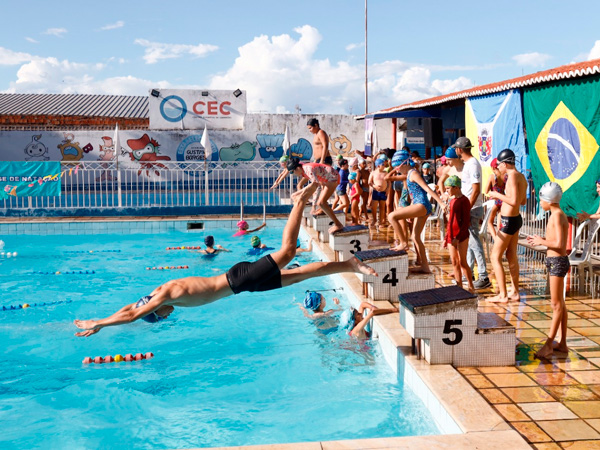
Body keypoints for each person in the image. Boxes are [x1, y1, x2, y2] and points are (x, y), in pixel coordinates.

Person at [74, 193, 378, 337]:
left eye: (160, 316)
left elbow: (132, 316)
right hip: (241, 286)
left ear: (158, 311)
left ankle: (299, 202)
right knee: (297, 276)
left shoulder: (165, 297)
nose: (166, 316)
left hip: (238, 280)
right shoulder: (159, 291)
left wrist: (99, 323)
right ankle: (349, 264)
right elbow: (130, 308)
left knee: (287, 253)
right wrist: (104, 318)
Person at [527, 182, 569, 358]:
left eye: (541, 199)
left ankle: (549, 344)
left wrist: (541, 242)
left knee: (556, 304)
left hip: (558, 261)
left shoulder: (557, 215)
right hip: (555, 260)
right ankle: (563, 344)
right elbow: (555, 238)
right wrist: (542, 238)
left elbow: (560, 244)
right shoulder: (555, 214)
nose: (539, 202)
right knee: (560, 304)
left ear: (549, 200)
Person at [387, 149, 446, 273]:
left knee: (392, 216)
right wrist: (411, 210)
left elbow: (427, 190)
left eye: (397, 166)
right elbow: (415, 193)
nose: (396, 169)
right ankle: (425, 267)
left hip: (422, 205)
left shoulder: (413, 174)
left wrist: (440, 203)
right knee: (415, 237)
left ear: (404, 163)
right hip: (420, 205)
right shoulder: (409, 174)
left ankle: (403, 243)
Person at [487, 148, 528, 303]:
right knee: (511, 255)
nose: (498, 168)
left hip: (508, 221)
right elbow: (523, 201)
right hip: (515, 219)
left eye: (499, 165)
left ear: (504, 164)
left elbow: (514, 201)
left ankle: (503, 295)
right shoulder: (521, 177)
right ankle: (515, 292)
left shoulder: (511, 177)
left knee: (494, 256)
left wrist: (496, 194)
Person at [452, 137, 490, 289]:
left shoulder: (473, 164)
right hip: (469, 207)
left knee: (474, 242)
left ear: (459, 150)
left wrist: (466, 209)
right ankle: (469, 273)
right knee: (467, 243)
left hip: (472, 208)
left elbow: (475, 190)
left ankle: (483, 276)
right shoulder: (468, 164)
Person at [286, 157, 344, 234]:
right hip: (327, 178)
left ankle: (338, 224)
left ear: (297, 168)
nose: (293, 174)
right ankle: (322, 209)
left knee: (321, 203)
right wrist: (297, 194)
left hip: (333, 177)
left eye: (292, 172)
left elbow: (315, 186)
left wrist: (313, 205)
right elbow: (316, 185)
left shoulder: (308, 170)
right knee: (321, 202)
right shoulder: (303, 170)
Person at [444, 176, 474, 293]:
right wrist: (447, 238)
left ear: (456, 188)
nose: (446, 191)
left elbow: (466, 222)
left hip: (461, 235)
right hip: (452, 236)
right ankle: (459, 286)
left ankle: (471, 286)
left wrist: (458, 237)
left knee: (462, 262)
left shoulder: (464, 201)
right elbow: (450, 221)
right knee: (454, 262)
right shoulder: (452, 201)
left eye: (448, 189)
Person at [483, 158, 506, 242]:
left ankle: (496, 240)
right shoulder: (505, 176)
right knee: (500, 225)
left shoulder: (492, 177)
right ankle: (501, 241)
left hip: (494, 201)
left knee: (490, 222)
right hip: (502, 201)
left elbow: (486, 191)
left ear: (493, 168)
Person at [368, 158, 388, 227]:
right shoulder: (373, 173)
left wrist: (388, 190)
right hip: (376, 192)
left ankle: (381, 222)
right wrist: (374, 186)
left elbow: (389, 182)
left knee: (382, 207)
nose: (384, 166)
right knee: (374, 207)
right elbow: (369, 182)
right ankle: (374, 220)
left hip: (383, 192)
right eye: (383, 165)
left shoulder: (385, 173)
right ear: (378, 166)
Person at [358, 158, 371, 223]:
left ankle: (359, 214)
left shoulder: (367, 171)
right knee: (364, 203)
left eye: (365, 163)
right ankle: (366, 216)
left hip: (368, 188)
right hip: (364, 188)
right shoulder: (359, 172)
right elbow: (357, 181)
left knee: (364, 203)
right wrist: (360, 189)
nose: (365, 165)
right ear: (360, 165)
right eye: (363, 163)